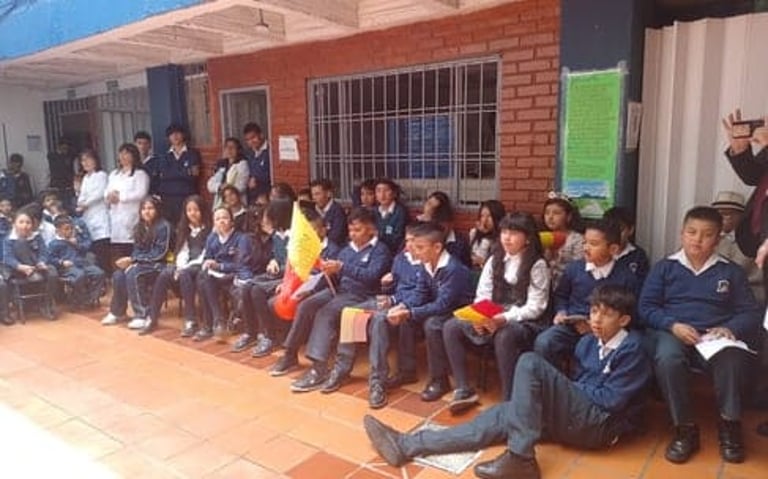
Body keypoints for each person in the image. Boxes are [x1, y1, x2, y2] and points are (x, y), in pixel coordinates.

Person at [364, 285, 650, 479]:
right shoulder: (588, 342)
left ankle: (521, 457)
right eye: (594, 311)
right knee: (500, 415)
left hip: (601, 427)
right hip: (579, 416)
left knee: (529, 362)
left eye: (607, 314)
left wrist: (562, 390)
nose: (597, 319)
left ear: (624, 320)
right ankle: (408, 444)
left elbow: (611, 400)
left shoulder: (633, 349)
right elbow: (579, 385)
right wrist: (559, 393)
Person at [639, 206, 761, 464]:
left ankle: (730, 426)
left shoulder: (731, 272)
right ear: (682, 234)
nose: (697, 240)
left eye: (707, 235)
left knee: (732, 359)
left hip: (713, 337)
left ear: (717, 239)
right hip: (673, 331)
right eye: (692, 232)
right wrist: (672, 325)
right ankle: (684, 429)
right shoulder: (665, 268)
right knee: (668, 358)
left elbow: (750, 312)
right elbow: (646, 307)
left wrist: (730, 328)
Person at [443, 213, 550, 413]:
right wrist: (479, 317)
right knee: (451, 326)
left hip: (524, 321)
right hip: (493, 315)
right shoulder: (494, 259)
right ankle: (463, 388)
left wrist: (504, 318)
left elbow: (536, 306)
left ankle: (509, 398)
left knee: (505, 334)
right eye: (504, 232)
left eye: (514, 233)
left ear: (528, 238)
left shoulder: (537, 264)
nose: (507, 238)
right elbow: (482, 294)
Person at [290, 207, 392, 393]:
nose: (353, 234)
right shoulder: (346, 250)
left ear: (371, 229)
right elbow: (336, 278)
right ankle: (290, 352)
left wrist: (342, 268)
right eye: (350, 230)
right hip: (340, 291)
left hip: (363, 295)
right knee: (308, 304)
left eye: (358, 230)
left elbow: (372, 277)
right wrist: (315, 283)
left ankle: (319, 368)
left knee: (326, 313)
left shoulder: (380, 251)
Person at [323, 225, 427, 408]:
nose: (409, 245)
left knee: (378, 320)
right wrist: (386, 287)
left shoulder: (426, 263)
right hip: (392, 301)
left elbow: (422, 294)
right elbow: (393, 286)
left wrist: (394, 300)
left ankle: (378, 380)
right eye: (407, 240)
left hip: (409, 307)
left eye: (413, 241)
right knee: (351, 314)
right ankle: (342, 369)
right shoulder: (401, 258)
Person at [534, 218, 641, 368]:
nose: (586, 248)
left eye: (593, 244)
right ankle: (554, 379)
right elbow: (561, 295)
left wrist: (598, 326)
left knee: (590, 352)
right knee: (545, 342)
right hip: (572, 327)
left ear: (613, 249)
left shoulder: (626, 277)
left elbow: (631, 314)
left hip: (606, 331)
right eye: (585, 242)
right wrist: (561, 312)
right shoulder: (574, 269)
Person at [388, 222, 473, 403]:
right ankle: (407, 371)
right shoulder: (425, 264)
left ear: (437, 247)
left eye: (420, 247)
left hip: (458, 313)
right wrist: (403, 306)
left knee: (432, 324)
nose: (416, 252)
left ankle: (439, 380)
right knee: (407, 320)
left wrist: (411, 312)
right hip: (438, 309)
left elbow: (443, 305)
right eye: (415, 247)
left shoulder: (453, 269)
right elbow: (420, 294)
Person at [267, 209, 342, 377]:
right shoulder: (302, 248)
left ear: (323, 230)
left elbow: (330, 279)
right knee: (275, 303)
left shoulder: (333, 249)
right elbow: (295, 271)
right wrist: (287, 286)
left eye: (314, 230)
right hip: (303, 288)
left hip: (326, 290)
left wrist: (309, 290)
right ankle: (287, 342)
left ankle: (290, 353)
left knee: (304, 305)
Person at [143, 195, 211, 336]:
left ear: (202, 210)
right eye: (189, 210)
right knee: (165, 273)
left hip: (201, 265)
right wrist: (179, 266)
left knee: (184, 274)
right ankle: (152, 317)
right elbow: (182, 251)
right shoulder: (184, 228)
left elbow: (206, 253)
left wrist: (184, 268)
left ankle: (191, 320)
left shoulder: (209, 229)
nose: (192, 213)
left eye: (196, 210)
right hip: (185, 265)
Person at [232, 198, 292, 354]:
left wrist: (281, 268)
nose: (265, 220)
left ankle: (269, 336)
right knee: (247, 287)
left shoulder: (294, 237)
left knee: (257, 290)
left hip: (289, 277)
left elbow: (296, 265)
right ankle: (250, 332)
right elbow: (276, 255)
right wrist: (273, 261)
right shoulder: (277, 235)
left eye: (269, 216)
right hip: (277, 274)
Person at [102, 197, 171, 330]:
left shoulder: (164, 226)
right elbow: (137, 251)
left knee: (134, 273)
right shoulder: (139, 227)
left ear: (157, 210)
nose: (147, 212)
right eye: (144, 209)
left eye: (150, 208)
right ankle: (118, 312)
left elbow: (160, 253)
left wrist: (134, 261)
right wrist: (132, 261)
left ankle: (142, 314)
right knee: (118, 275)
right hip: (142, 263)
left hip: (159, 264)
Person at [198, 207, 254, 341]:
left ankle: (212, 325)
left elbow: (241, 264)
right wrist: (208, 263)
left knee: (205, 281)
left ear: (232, 221)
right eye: (217, 219)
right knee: (203, 278)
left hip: (235, 275)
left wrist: (220, 266)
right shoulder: (212, 238)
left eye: (225, 218)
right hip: (217, 276)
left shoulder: (241, 238)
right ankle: (217, 322)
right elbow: (207, 257)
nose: (221, 221)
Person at [710, 191, 764, 303]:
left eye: (731, 213)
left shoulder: (752, 240)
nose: (726, 218)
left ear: (742, 216)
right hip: (713, 292)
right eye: (721, 213)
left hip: (750, 291)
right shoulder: (706, 238)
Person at [3, 209, 58, 319]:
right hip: (18, 270)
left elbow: (44, 252)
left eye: (28, 222)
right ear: (14, 224)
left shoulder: (37, 236)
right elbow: (8, 258)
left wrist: (42, 262)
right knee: (21, 242)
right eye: (21, 222)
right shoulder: (9, 239)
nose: (25, 226)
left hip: (36, 267)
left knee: (53, 272)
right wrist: (20, 267)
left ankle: (46, 303)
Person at [47, 216, 105, 310]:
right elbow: (49, 258)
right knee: (79, 276)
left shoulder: (75, 240)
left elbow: (85, 250)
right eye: (66, 229)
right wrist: (61, 262)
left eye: (71, 228)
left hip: (82, 264)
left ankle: (90, 298)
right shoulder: (54, 244)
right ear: (58, 231)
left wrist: (77, 244)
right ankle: (78, 299)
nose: (70, 231)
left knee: (99, 273)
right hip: (67, 269)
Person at [105, 143, 150, 264]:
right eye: (121, 153)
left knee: (134, 248)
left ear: (134, 155)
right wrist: (109, 197)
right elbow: (107, 191)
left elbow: (141, 193)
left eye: (126, 153)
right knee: (120, 251)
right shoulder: (114, 174)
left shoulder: (140, 174)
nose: (123, 156)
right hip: (116, 216)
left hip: (132, 215)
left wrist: (121, 197)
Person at [156, 124, 201, 225]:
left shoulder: (193, 153)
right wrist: (185, 172)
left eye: (177, 133)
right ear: (168, 138)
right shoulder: (164, 155)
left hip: (187, 195)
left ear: (183, 135)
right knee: (170, 226)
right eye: (171, 134)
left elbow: (194, 175)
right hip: (168, 197)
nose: (175, 136)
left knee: (187, 224)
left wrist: (171, 173)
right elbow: (164, 175)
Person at [75, 149, 110, 274]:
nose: (85, 163)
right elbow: (82, 195)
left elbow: (99, 193)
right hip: (88, 216)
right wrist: (80, 203)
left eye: (88, 159)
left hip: (100, 215)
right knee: (92, 250)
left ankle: (108, 277)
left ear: (95, 160)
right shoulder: (85, 178)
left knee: (102, 250)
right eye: (83, 160)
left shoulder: (101, 175)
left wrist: (85, 204)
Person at [542, 194, 584, 289]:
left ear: (568, 216)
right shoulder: (543, 237)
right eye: (547, 213)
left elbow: (579, 267)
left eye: (556, 213)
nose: (550, 217)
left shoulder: (577, 239)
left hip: (569, 286)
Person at [602, 207, 649, 284]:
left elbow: (642, 283)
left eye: (621, 230)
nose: (616, 234)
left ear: (630, 230)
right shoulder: (599, 251)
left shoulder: (638, 255)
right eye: (611, 229)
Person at [207, 137, 249, 210]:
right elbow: (210, 184)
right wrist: (220, 187)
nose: (229, 150)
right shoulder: (222, 165)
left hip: (236, 203)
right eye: (227, 147)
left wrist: (226, 188)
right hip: (220, 202)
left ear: (238, 150)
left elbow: (241, 186)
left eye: (232, 147)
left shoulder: (242, 164)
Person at [469, 200, 506, 270]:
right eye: (482, 216)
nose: (484, 220)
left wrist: (483, 261)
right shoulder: (475, 233)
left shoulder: (502, 237)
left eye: (489, 216)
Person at [310, 178, 348, 246]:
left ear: (328, 194)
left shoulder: (338, 212)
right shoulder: (312, 210)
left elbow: (336, 237)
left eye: (317, 194)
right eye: (313, 195)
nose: (314, 198)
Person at [375, 179, 408, 254]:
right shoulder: (374, 211)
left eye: (386, 190)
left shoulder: (401, 212)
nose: (382, 195)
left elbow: (398, 237)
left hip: (394, 251)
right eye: (378, 191)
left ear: (394, 193)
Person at [46, 138, 77, 211]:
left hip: (68, 187)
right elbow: (48, 172)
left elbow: (74, 171)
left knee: (69, 208)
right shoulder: (51, 156)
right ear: (59, 146)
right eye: (63, 148)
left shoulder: (71, 156)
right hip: (55, 187)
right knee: (56, 208)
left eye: (66, 148)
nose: (65, 150)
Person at [244, 122, 271, 203]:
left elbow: (272, 173)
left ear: (261, 135)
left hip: (266, 196)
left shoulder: (270, 150)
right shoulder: (249, 154)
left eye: (253, 137)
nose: (251, 141)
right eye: (248, 140)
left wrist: (256, 179)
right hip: (253, 197)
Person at [134, 131, 160, 197]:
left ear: (150, 145)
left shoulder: (158, 162)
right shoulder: (131, 164)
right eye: (139, 143)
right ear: (135, 145)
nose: (142, 146)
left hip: (153, 198)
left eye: (145, 143)